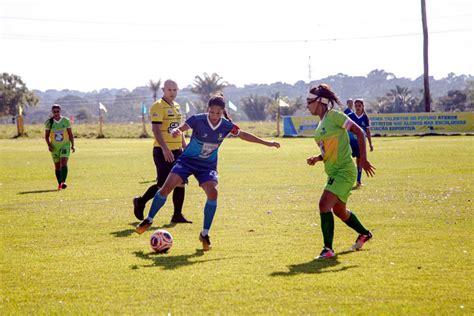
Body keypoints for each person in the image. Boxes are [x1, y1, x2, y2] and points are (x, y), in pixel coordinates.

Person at [135, 94, 280, 251]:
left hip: (207, 166)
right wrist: (177, 130)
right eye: (212, 112)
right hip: (187, 161)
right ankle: (149, 219)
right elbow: (183, 127)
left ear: (222, 112)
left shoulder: (226, 125)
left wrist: (267, 143)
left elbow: (243, 134)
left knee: (213, 193)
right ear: (207, 110)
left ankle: (204, 234)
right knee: (166, 188)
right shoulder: (198, 119)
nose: (215, 116)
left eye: (218, 113)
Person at [305, 84, 375, 259]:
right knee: (339, 211)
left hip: (344, 170)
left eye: (309, 101)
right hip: (334, 172)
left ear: (320, 102)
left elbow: (359, 132)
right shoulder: (321, 124)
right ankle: (365, 233)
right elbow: (328, 151)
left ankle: (328, 249)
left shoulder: (335, 116)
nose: (307, 105)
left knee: (323, 205)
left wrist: (364, 158)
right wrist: (317, 158)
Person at [133, 80, 191, 224]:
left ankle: (177, 215)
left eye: (175, 90)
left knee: (181, 181)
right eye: (170, 90)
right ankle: (140, 201)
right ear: (163, 90)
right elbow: (156, 130)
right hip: (162, 151)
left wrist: (184, 146)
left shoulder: (177, 106)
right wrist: (165, 148)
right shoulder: (158, 106)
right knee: (162, 185)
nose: (173, 93)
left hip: (177, 150)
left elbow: (179, 129)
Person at [44, 104, 75, 190]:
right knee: (57, 166)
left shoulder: (66, 121)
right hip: (54, 147)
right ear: (52, 112)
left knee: (64, 163)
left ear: (60, 111)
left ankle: (63, 182)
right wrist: (49, 145)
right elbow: (46, 136)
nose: (56, 113)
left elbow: (70, 134)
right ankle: (59, 184)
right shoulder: (49, 122)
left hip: (65, 145)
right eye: (54, 112)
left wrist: (73, 145)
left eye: (58, 111)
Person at [348, 98, 374, 188]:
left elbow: (367, 131)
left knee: (360, 161)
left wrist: (370, 143)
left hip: (360, 144)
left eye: (359, 106)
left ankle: (358, 181)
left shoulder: (365, 118)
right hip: (350, 143)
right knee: (346, 161)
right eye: (356, 106)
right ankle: (346, 180)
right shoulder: (350, 116)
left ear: (363, 106)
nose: (357, 107)